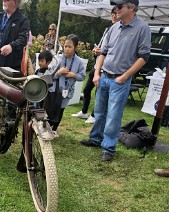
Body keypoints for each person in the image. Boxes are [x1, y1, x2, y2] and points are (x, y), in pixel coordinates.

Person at [80, 0, 151, 162]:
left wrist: (125, 76)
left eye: (120, 6)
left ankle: (108, 148)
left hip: (120, 81)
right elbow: (103, 53)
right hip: (104, 77)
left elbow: (143, 57)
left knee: (113, 116)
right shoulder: (113, 27)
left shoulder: (142, 28)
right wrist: (97, 73)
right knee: (99, 112)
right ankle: (96, 139)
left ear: (131, 8)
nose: (116, 9)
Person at [72, 6, 119, 124]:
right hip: (97, 65)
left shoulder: (120, 32)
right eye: (112, 14)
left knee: (99, 93)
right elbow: (103, 46)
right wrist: (96, 51)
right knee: (87, 90)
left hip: (106, 68)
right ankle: (84, 112)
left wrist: (102, 51)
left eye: (116, 14)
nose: (114, 16)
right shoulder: (108, 29)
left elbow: (114, 51)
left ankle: (94, 115)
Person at [47, 34, 86, 137]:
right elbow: (50, 75)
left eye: (70, 47)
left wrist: (74, 75)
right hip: (55, 90)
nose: (67, 49)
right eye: (65, 46)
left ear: (76, 47)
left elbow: (82, 76)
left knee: (60, 110)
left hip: (66, 91)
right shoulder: (58, 59)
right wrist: (59, 72)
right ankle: (47, 127)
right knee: (51, 109)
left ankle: (54, 129)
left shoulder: (79, 62)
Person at [0, 0, 30, 70]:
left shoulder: (22, 20)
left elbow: (23, 39)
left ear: (15, 2)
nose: (4, 1)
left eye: (7, 0)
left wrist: (11, 46)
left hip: (12, 66)